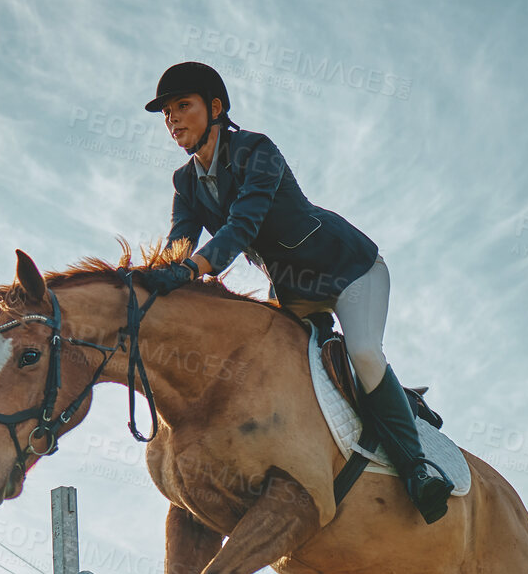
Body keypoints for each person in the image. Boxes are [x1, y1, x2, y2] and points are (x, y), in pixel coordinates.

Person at [139, 61, 452, 523]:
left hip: (348, 270)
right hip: (291, 288)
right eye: (167, 113)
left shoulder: (256, 150)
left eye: (182, 106)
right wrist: (153, 277)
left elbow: (241, 226)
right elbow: (180, 239)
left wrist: (188, 270)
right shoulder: (184, 181)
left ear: (216, 108)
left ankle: (419, 467)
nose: (173, 120)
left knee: (363, 353)